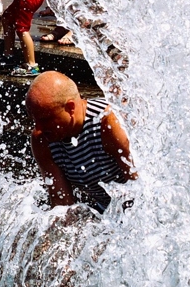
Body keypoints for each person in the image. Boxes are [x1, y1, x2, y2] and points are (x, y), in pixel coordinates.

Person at [26, 71, 136, 212]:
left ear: (70, 107)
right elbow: (62, 207)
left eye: (45, 119)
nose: (38, 128)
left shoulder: (107, 123)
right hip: (106, 214)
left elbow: (141, 188)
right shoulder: (42, 140)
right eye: (34, 119)